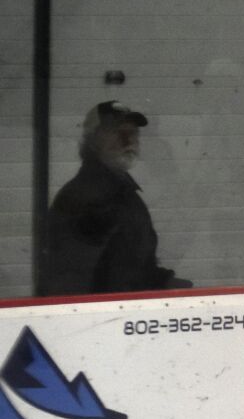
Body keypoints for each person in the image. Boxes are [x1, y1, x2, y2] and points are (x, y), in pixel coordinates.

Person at [41, 101, 189, 296]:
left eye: (133, 132)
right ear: (92, 140)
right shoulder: (84, 198)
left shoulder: (125, 194)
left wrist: (164, 283)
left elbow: (134, 267)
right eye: (115, 131)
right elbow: (72, 279)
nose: (128, 140)